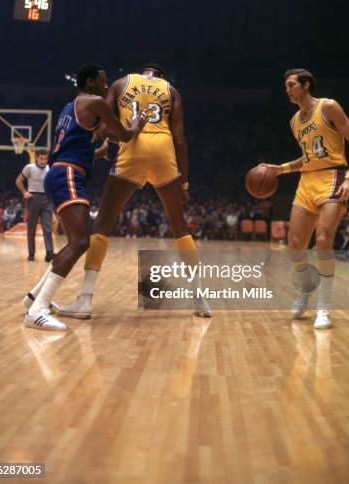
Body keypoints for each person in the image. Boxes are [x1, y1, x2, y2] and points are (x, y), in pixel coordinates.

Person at [56, 63, 212, 320]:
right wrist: (184, 183)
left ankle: (85, 300)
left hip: (133, 151)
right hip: (163, 152)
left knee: (103, 224)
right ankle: (200, 300)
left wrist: (115, 138)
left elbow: (105, 128)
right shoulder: (171, 91)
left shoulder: (120, 84)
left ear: (143, 73)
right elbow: (180, 140)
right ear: (160, 76)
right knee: (179, 227)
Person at [23, 63, 147, 331]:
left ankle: (34, 296)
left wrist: (98, 153)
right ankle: (37, 309)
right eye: (103, 81)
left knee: (74, 242)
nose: (106, 85)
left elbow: (72, 148)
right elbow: (123, 135)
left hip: (60, 173)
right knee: (80, 242)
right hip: (66, 175)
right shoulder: (94, 102)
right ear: (90, 82)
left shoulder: (71, 107)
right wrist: (135, 125)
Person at [265, 69, 349, 329]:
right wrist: (282, 168)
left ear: (305, 85)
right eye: (285, 86)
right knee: (295, 247)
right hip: (307, 181)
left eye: (290, 85)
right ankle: (307, 288)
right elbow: (308, 158)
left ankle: (325, 308)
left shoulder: (328, 106)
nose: (287, 90)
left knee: (323, 240)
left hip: (333, 178)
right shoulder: (294, 121)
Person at [15, 150, 54, 261]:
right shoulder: (29, 168)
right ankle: (31, 253)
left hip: (46, 199)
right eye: (41, 158)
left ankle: (49, 253)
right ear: (37, 158)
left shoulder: (49, 169)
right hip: (33, 198)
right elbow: (18, 181)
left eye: (45, 159)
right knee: (31, 228)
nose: (43, 161)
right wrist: (24, 192)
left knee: (47, 227)